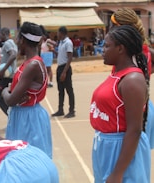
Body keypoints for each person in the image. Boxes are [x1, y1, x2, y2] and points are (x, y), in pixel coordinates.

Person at [90, 25, 151, 183]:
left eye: (107, 46)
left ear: (120, 49)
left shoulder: (132, 81)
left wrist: (118, 173)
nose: (103, 49)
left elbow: (134, 130)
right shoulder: (117, 74)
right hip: (105, 147)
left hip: (119, 149)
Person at [2, 22, 52, 158]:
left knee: (29, 160)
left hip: (29, 118)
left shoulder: (33, 65)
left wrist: (5, 91)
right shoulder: (29, 63)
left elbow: (11, 100)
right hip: (23, 115)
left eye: (18, 39)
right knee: (20, 159)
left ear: (22, 40)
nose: (17, 42)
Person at [110, 7, 154, 149]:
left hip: (131, 112)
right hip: (139, 108)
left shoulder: (126, 55)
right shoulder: (146, 51)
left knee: (130, 155)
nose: (109, 29)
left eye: (112, 26)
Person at [51, 26, 75, 118]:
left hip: (65, 68)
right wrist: (55, 52)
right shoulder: (61, 42)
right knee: (60, 90)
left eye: (58, 33)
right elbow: (62, 55)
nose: (57, 34)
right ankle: (60, 109)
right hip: (59, 67)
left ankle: (72, 110)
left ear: (62, 33)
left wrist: (64, 72)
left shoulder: (68, 43)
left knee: (69, 90)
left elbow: (69, 58)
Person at [0, 27, 18, 115]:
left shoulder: (7, 44)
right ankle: (12, 117)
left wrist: (3, 69)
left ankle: (11, 116)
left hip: (6, 76)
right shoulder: (13, 43)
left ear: (3, 34)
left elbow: (13, 55)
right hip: (12, 75)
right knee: (11, 98)